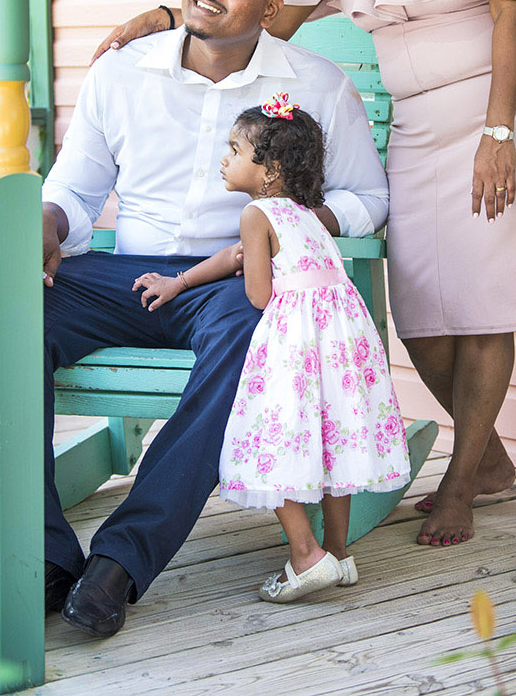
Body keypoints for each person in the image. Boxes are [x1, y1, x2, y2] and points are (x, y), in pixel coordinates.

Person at [94, 0, 516, 548]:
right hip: (418, 113)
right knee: (421, 302)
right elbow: (272, 13)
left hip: (506, 100)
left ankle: (462, 484)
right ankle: (487, 459)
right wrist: (180, 17)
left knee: (483, 299)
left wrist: (499, 130)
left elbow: (510, 10)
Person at [42, 0, 388, 636]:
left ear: (268, 9)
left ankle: (119, 562)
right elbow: (73, 196)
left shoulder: (315, 87)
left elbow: (369, 200)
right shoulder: (121, 70)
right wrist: (45, 227)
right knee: (16, 318)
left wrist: (287, 221)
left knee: (251, 340)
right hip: (122, 271)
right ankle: (45, 556)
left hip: (234, 280)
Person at [132, 99, 412, 603]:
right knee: (328, 444)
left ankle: (306, 556)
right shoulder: (305, 216)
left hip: (295, 346)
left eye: (235, 150)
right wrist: (181, 282)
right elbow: (235, 257)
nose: (225, 158)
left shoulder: (254, 213)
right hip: (341, 346)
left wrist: (253, 268)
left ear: (270, 169)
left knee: (278, 437)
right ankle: (338, 553)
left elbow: (259, 295)